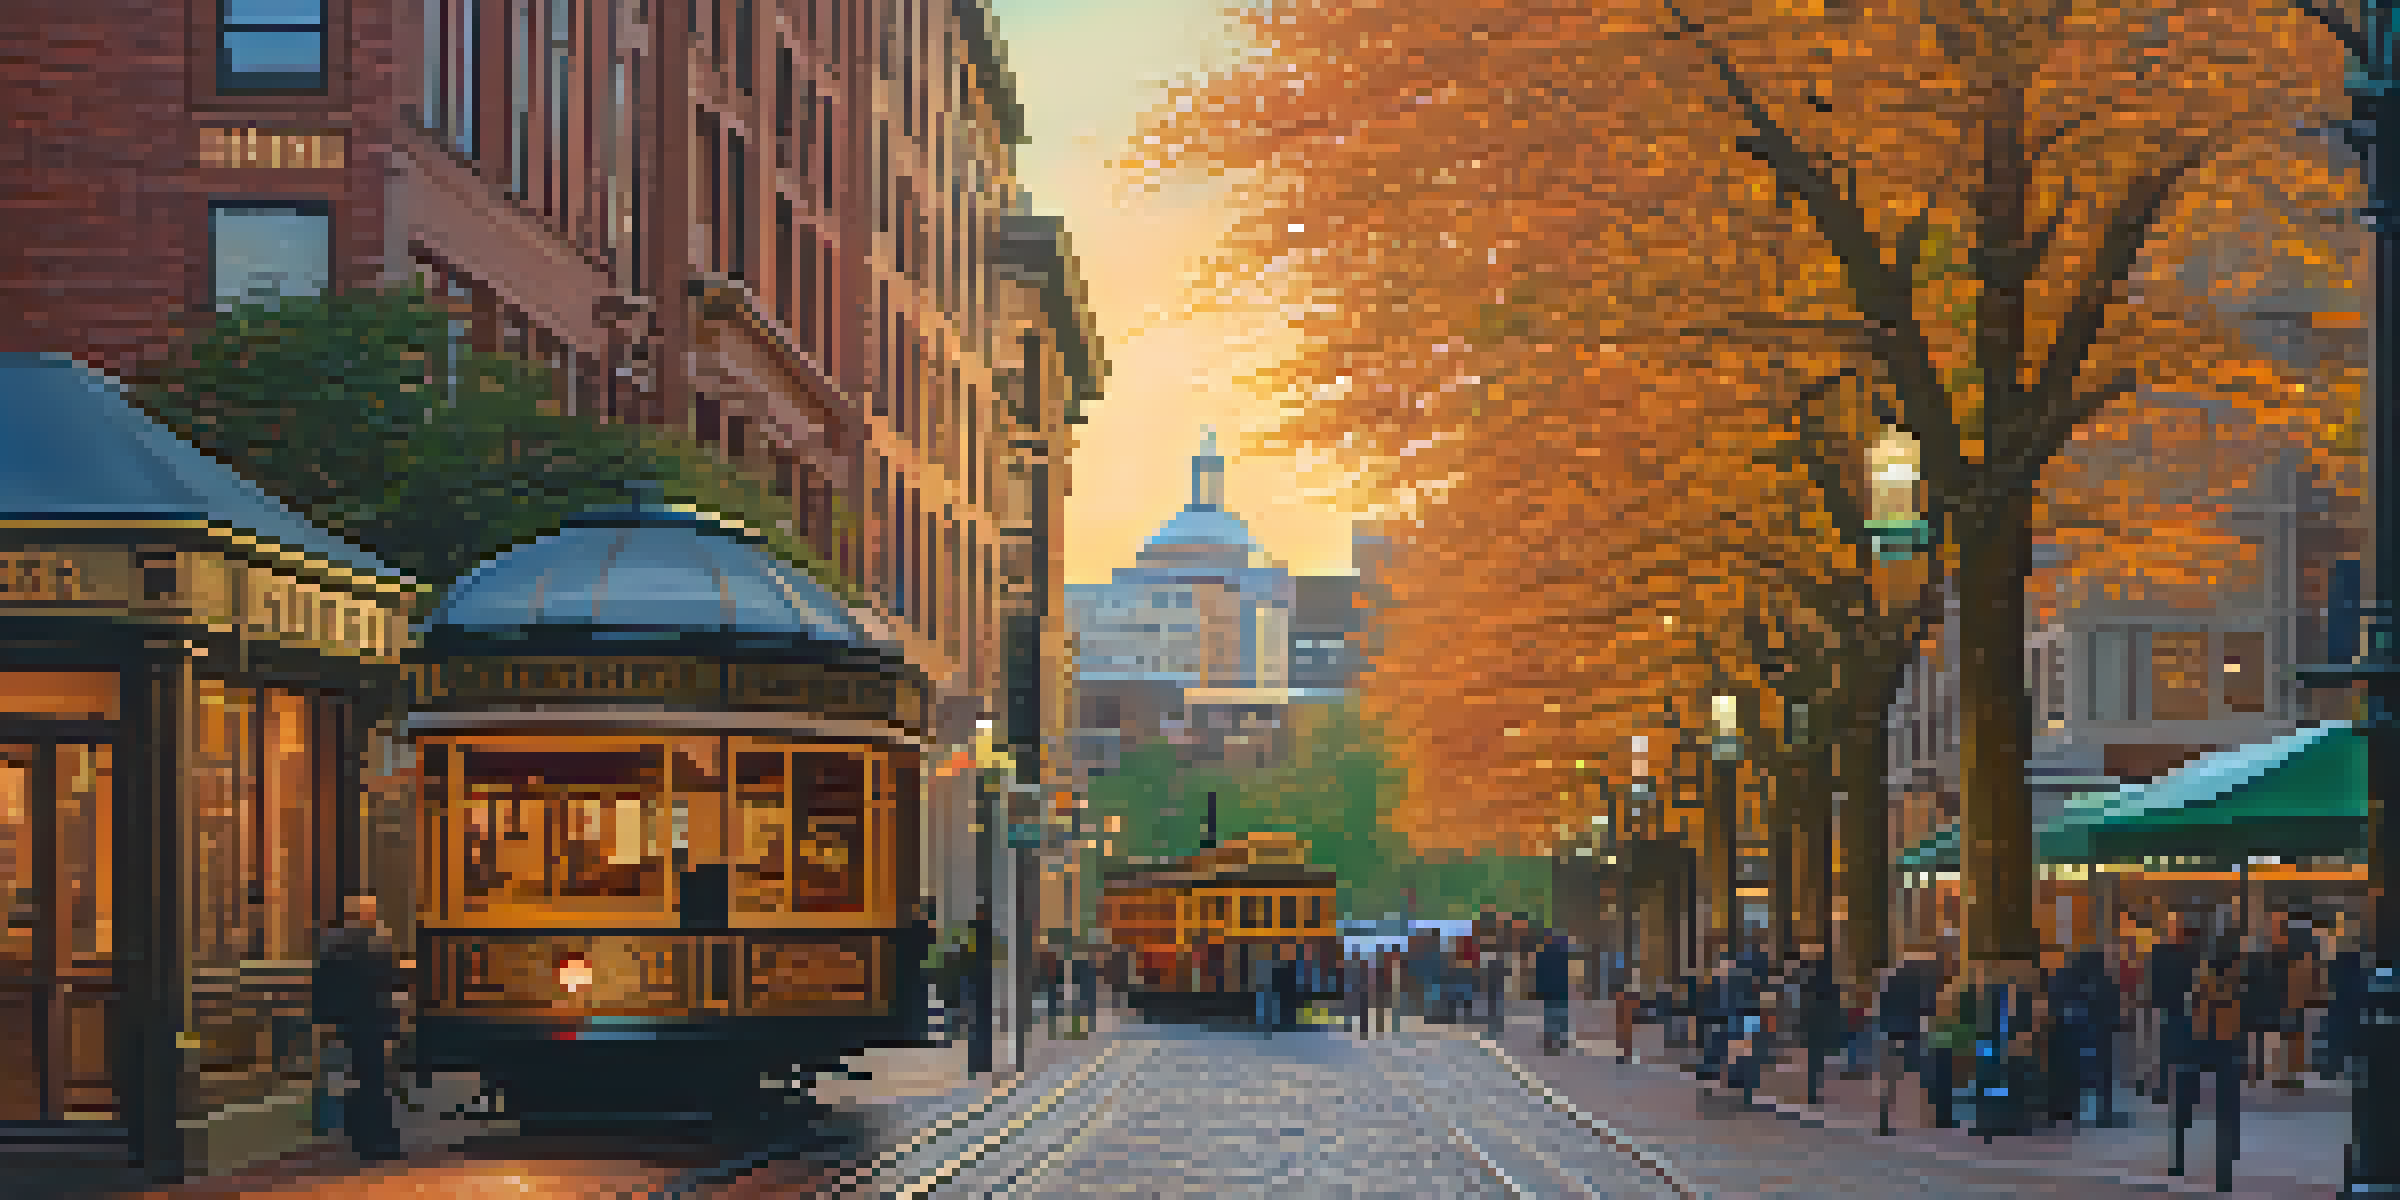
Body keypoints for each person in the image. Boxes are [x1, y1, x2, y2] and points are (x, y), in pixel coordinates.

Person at [313, 893, 407, 1162]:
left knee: (351, 1077)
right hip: (374, 1021)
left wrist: (324, 1019)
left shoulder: (334, 944)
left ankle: (359, 1134)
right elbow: (393, 982)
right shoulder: (380, 942)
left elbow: (323, 985)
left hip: (347, 1022)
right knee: (375, 1079)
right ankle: (376, 1138)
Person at [2175, 940, 2246, 1192]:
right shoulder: (2235, 985)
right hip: (2224, 1045)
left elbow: (2192, 1013)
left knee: (2186, 1105)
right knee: (2227, 1108)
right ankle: (2224, 1165)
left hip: (2201, 1044)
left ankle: (2180, 1157)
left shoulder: (2202, 982)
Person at [1535, 932, 1572, 1054]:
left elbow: (1540, 973)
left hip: (1549, 988)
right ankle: (1561, 1039)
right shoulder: (1563, 954)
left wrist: (1539, 989)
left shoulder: (1542, 954)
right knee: (1561, 1012)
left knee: (1550, 1013)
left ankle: (1550, 1040)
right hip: (1561, 987)